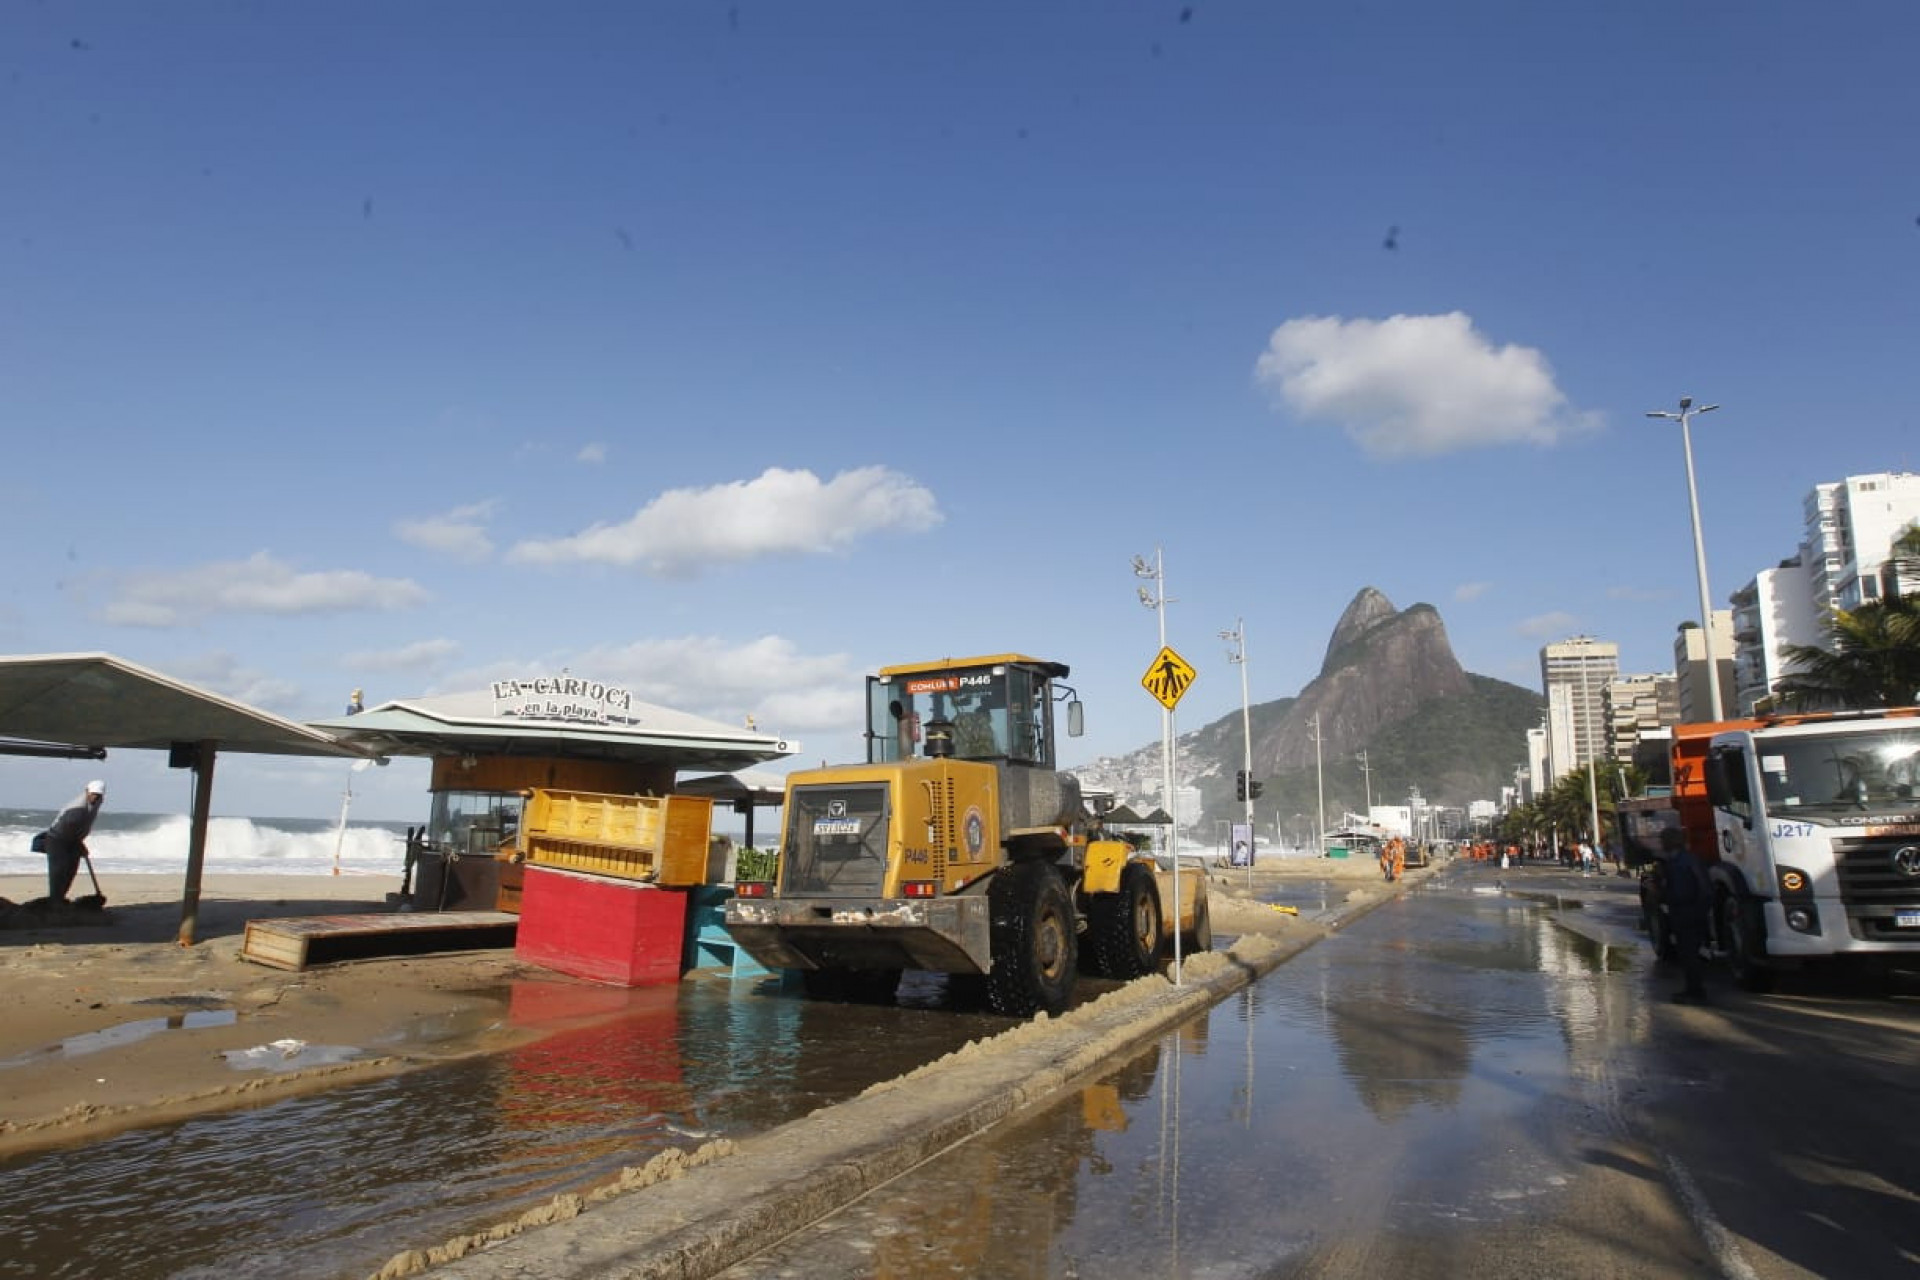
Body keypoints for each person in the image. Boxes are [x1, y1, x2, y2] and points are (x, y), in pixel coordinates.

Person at [1657, 826, 1712, 1002]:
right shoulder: (1690, 859)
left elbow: (1680, 892)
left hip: (1685, 913)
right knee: (1691, 954)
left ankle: (1695, 992)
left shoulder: (1677, 863)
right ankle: (1694, 989)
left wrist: (1661, 894)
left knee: (1688, 955)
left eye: (1662, 841)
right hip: (1696, 911)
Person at [44, 779, 105, 903]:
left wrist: (78, 843)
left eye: (98, 795)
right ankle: (54, 901)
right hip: (57, 839)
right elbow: (69, 827)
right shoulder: (77, 810)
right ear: (86, 791)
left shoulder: (98, 801)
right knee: (59, 871)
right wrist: (79, 844)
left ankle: (59, 898)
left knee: (71, 870)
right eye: (93, 794)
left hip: (72, 840)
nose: (94, 797)